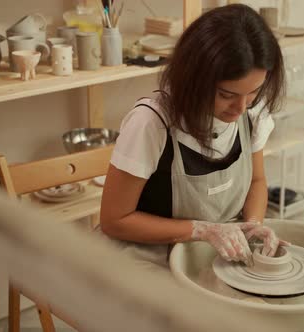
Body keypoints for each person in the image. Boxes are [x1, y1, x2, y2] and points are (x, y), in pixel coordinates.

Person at [100, 4, 288, 270]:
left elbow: (257, 180)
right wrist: (202, 230)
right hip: (148, 257)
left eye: (254, 92)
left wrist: (253, 227)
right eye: (227, 95)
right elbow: (114, 220)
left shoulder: (251, 114)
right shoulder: (151, 124)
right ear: (195, 79)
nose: (241, 107)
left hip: (212, 254)